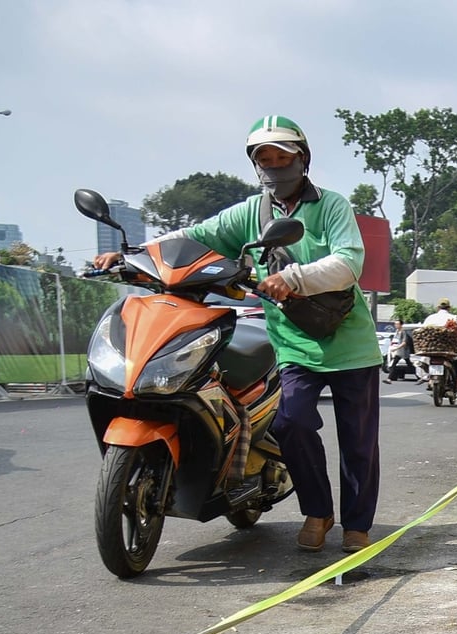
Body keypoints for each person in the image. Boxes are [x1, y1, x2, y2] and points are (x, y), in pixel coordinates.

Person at [101, 114, 383, 553]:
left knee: (358, 443)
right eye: (264, 159)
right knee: (290, 424)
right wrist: (130, 255)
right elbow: (192, 237)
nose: (274, 166)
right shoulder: (251, 212)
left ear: (302, 158)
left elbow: (349, 262)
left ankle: (357, 525)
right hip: (292, 343)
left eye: (282, 157)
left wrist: (293, 278)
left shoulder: (331, 205)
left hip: (350, 344)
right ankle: (318, 511)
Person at [417, 299, 457, 389]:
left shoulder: (430, 318)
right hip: (449, 350)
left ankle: (430, 379)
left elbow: (422, 332)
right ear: (449, 308)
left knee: (424, 361)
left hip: (431, 349)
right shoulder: (453, 318)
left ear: (438, 308)